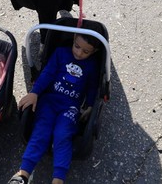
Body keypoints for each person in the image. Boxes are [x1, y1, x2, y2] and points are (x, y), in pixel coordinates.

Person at [6, 33, 100, 184]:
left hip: (70, 106)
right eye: (77, 46)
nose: (79, 53)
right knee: (41, 130)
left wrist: (89, 105)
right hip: (49, 101)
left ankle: (58, 179)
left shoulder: (92, 64)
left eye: (86, 51)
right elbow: (47, 74)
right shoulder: (61, 52)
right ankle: (23, 173)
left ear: (93, 51)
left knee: (63, 134)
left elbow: (92, 86)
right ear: (74, 38)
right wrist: (35, 92)